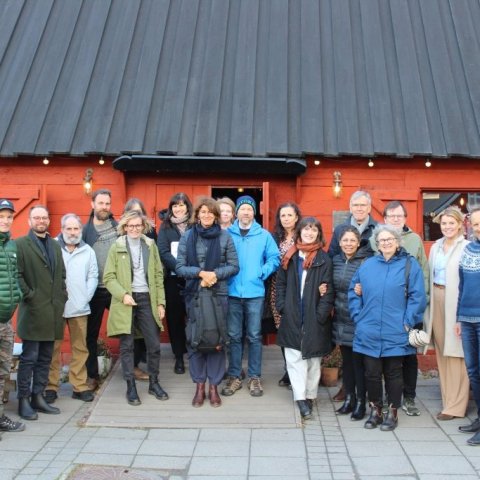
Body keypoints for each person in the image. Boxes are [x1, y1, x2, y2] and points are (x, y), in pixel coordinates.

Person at [349, 224, 426, 431]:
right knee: (371, 373)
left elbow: (418, 296)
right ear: (377, 243)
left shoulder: (410, 265)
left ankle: (392, 412)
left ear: (397, 241)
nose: (386, 243)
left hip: (396, 329)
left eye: (389, 239)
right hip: (370, 329)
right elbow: (353, 291)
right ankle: (375, 410)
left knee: (393, 372)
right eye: (382, 240)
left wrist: (408, 321)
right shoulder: (368, 265)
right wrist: (359, 317)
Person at [176, 197, 239, 407]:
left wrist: (214, 274)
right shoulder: (187, 237)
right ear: (197, 214)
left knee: (217, 340)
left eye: (210, 212)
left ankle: (213, 386)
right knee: (195, 339)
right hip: (194, 295)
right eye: (203, 212)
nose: (206, 216)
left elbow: (233, 266)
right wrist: (200, 273)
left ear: (216, 216)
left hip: (218, 295)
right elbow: (179, 267)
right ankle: (199, 386)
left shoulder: (225, 237)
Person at [104, 210, 168, 406]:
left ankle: (154, 383)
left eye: (137, 225)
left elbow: (158, 275)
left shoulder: (150, 245)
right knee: (127, 346)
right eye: (130, 226)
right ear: (124, 227)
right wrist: (123, 295)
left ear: (143, 227)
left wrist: (160, 302)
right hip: (126, 299)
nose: (134, 229)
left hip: (147, 298)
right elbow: (108, 277)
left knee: (154, 344)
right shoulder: (117, 247)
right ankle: (130, 387)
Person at [221, 195, 280, 397]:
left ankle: (254, 377)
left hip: (255, 293)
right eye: (242, 209)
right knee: (234, 336)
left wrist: (263, 271)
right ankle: (235, 375)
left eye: (249, 209)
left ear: (254, 212)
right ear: (236, 212)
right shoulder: (227, 234)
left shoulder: (263, 235)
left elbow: (274, 257)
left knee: (254, 336)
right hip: (232, 292)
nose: (246, 212)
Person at [276, 217, 334, 419]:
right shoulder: (290, 257)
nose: (309, 233)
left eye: (314, 230)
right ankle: (300, 398)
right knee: (294, 358)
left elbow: (328, 291)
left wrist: (320, 314)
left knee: (313, 360)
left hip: (314, 316)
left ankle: (310, 395)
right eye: (306, 229)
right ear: (299, 232)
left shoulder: (324, 259)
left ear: (318, 233)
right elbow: (281, 284)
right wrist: (282, 306)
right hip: (292, 313)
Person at [376, 201, 429, 417]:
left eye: (399, 216)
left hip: (410, 310)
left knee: (408, 355)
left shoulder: (415, 240)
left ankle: (409, 396)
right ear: (385, 218)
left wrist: (416, 308)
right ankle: (391, 395)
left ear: (405, 218)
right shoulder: (376, 238)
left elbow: (423, 272)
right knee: (388, 356)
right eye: (391, 215)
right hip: (387, 311)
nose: (396, 219)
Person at [16, 205, 68, 420]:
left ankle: (38, 396)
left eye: (44, 218)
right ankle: (23, 400)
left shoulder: (55, 246)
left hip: (53, 311)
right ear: (29, 221)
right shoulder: (20, 244)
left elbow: (61, 274)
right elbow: (16, 275)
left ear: (48, 220)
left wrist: (62, 295)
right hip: (33, 311)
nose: (41, 221)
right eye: (36, 218)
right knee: (29, 358)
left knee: (46, 358)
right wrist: (30, 295)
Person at [45, 214, 98, 404]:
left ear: (81, 230)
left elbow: (93, 275)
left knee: (80, 348)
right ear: (62, 229)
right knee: (53, 348)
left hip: (79, 307)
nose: (73, 232)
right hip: (55, 307)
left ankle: (79, 386)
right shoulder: (51, 247)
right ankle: (51, 387)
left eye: (76, 229)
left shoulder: (88, 251)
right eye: (69, 228)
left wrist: (86, 297)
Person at [426, 206, 470, 420]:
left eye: (451, 223)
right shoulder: (435, 247)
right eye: (444, 223)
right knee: (443, 352)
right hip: (437, 297)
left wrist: (464, 314)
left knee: (458, 353)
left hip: (457, 302)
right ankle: (448, 399)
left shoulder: (468, 247)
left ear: (460, 224)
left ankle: (456, 406)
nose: (447, 227)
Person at [332, 227, 373, 420]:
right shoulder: (336, 261)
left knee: (359, 363)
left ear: (358, 242)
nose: (348, 244)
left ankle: (361, 403)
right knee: (346, 363)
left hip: (358, 318)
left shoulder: (366, 262)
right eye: (345, 240)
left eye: (352, 241)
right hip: (340, 318)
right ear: (339, 243)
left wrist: (364, 289)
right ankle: (349, 398)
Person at [82, 189, 118, 389]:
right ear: (92, 204)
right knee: (90, 333)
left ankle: (134, 366)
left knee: (130, 326)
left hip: (115, 288)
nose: (104, 207)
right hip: (94, 290)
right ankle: (92, 375)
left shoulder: (117, 227)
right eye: (101, 203)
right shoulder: (84, 231)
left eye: (107, 203)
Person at [157, 193, 193, 374]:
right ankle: (178, 356)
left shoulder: (195, 225)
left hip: (194, 279)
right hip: (172, 279)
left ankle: (195, 353)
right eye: (175, 206)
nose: (178, 209)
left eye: (182, 205)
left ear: (188, 206)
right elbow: (163, 252)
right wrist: (180, 268)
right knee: (174, 319)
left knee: (194, 316)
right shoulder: (165, 227)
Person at [123, 198, 156, 381]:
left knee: (149, 336)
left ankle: (153, 377)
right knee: (129, 337)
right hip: (127, 293)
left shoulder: (150, 239)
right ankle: (131, 374)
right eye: (132, 212)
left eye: (139, 212)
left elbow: (157, 270)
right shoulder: (119, 243)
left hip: (147, 292)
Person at [270, 202, 302, 388]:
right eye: (283, 215)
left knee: (296, 329)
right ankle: (289, 369)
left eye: (290, 215)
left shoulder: (304, 235)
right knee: (282, 329)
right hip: (278, 288)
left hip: (298, 288)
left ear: (296, 217)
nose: (286, 219)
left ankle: (296, 370)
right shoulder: (275, 238)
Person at [0, 199, 25, 436]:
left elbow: (14, 276)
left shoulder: (11, 246)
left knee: (3, 371)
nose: (6, 221)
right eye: (1, 216)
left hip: (6, 320)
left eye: (9, 217)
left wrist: (17, 293)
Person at [457, 207, 480, 445]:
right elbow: (462, 287)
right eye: (475, 224)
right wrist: (458, 317)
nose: (478, 227)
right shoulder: (468, 249)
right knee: (473, 371)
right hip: (467, 319)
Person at [328, 190, 377, 258]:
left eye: (363, 205)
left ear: (369, 208)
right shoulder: (339, 230)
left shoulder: (377, 230)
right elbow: (332, 256)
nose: (359, 209)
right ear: (350, 208)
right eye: (355, 205)